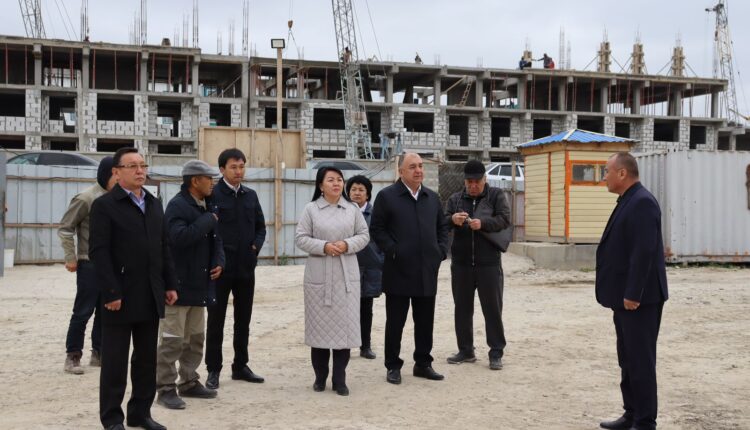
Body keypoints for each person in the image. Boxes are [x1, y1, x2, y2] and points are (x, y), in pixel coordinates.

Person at [89, 147, 178, 430]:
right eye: (132, 166)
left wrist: (169, 284)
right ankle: (112, 419)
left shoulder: (153, 203)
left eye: (143, 165)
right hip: (120, 296)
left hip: (149, 293)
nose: (140, 171)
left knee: (146, 360)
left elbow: (163, 247)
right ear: (116, 172)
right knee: (115, 363)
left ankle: (140, 413)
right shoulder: (105, 206)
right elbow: (99, 252)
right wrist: (111, 292)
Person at [597, 152, 668, 430]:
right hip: (624, 298)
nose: (604, 177)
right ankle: (631, 413)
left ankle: (645, 421)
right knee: (627, 359)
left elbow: (644, 252)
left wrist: (633, 293)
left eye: (606, 171)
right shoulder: (628, 200)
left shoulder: (642, 202)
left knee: (641, 361)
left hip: (640, 300)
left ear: (622, 173)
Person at [369, 152, 450, 385]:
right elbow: (377, 229)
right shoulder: (387, 196)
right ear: (401, 171)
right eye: (413, 166)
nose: (418, 170)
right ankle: (393, 366)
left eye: (420, 166)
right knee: (396, 322)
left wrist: (440, 251)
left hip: (427, 271)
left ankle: (423, 363)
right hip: (399, 271)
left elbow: (442, 228)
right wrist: (393, 250)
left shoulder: (431, 197)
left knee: (425, 322)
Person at [156, 160, 225, 410]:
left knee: (195, 339)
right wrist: (208, 219)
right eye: (209, 179)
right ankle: (165, 388)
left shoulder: (208, 204)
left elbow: (216, 238)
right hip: (177, 286)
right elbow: (178, 238)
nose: (213, 183)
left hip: (199, 285)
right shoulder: (178, 206)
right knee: (172, 340)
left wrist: (220, 261)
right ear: (195, 181)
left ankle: (188, 381)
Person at [295, 167, 370, 396]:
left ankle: (340, 379)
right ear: (321, 185)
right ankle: (320, 377)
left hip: (346, 275)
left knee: (344, 332)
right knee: (319, 330)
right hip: (319, 274)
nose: (336, 183)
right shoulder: (311, 209)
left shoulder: (352, 209)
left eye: (339, 180)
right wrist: (324, 246)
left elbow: (364, 235)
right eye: (331, 180)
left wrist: (347, 244)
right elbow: (300, 237)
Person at [205, 148, 267, 390]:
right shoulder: (212, 195)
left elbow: (261, 227)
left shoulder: (250, 195)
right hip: (219, 270)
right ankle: (213, 369)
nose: (238, 171)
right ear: (222, 169)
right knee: (216, 321)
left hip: (245, 268)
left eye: (241, 166)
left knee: (243, 320)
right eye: (233, 167)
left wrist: (255, 247)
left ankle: (240, 366)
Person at [444, 160, 511, 371]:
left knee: (492, 309)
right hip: (461, 264)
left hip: (489, 263)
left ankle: (496, 352)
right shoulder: (455, 199)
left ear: (485, 179)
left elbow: (504, 220)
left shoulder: (496, 196)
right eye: (469, 182)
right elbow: (442, 221)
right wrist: (453, 219)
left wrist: (483, 224)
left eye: (477, 182)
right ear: (464, 181)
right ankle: (466, 350)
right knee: (462, 309)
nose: (473, 186)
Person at [58, 156, 116, 374]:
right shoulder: (86, 198)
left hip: (112, 265)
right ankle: (73, 356)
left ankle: (99, 353)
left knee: (107, 310)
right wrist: (70, 257)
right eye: (115, 174)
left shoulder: (119, 198)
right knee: (83, 311)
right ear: (107, 174)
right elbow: (65, 228)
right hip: (89, 263)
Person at [346, 175, 384, 360]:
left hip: (370, 267)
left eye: (361, 190)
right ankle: (345, 345)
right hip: (347, 266)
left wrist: (379, 259)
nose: (357, 193)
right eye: (353, 189)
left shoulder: (376, 214)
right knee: (346, 308)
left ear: (368, 194)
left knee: (366, 308)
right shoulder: (343, 212)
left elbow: (383, 239)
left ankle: (365, 346)